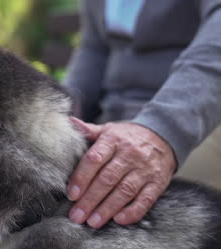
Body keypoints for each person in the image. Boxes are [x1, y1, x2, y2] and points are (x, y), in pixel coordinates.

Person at [64, 0, 221, 229]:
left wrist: (162, 130)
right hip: (117, 120)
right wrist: (59, 118)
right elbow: (93, 51)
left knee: (111, 217)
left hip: (200, 119)